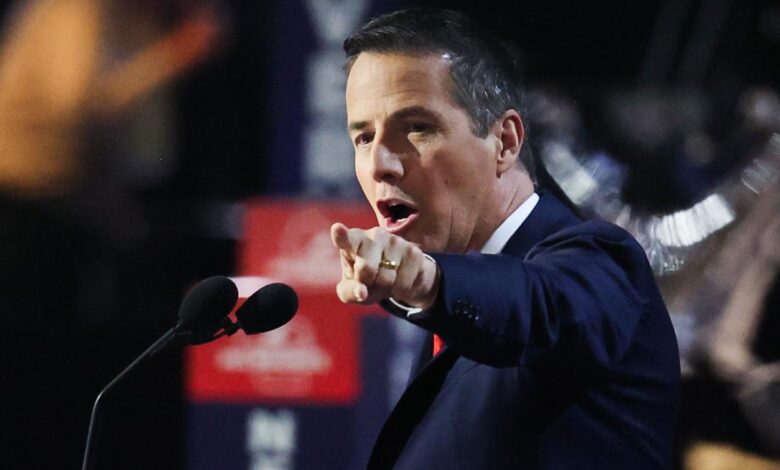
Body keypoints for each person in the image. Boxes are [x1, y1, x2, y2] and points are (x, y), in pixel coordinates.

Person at [330, 8, 680, 470]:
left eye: (416, 127)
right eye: (364, 137)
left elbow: (541, 306)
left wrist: (432, 283)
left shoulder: (600, 261)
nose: (379, 165)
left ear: (506, 141)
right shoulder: (456, 298)